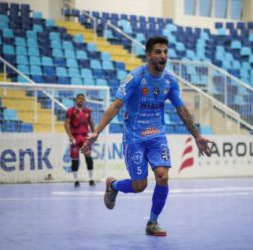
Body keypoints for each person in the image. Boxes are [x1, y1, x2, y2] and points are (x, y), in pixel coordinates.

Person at [81, 36, 212, 236]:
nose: (163, 56)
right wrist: (96, 132)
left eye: (166, 52)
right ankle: (113, 185)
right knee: (139, 185)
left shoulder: (170, 81)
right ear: (149, 55)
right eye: (158, 52)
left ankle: (152, 222)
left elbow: (181, 110)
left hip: (157, 136)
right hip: (134, 137)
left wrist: (197, 136)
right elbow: (116, 105)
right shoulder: (134, 78)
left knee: (162, 176)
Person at [65, 93, 96, 187]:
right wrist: (70, 136)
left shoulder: (87, 111)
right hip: (75, 138)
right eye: (79, 98)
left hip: (85, 138)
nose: (81, 100)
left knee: (88, 156)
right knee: (75, 158)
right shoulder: (70, 111)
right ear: (76, 100)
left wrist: (94, 133)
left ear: (84, 100)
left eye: (83, 98)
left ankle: (91, 179)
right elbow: (66, 124)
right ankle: (76, 180)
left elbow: (91, 122)